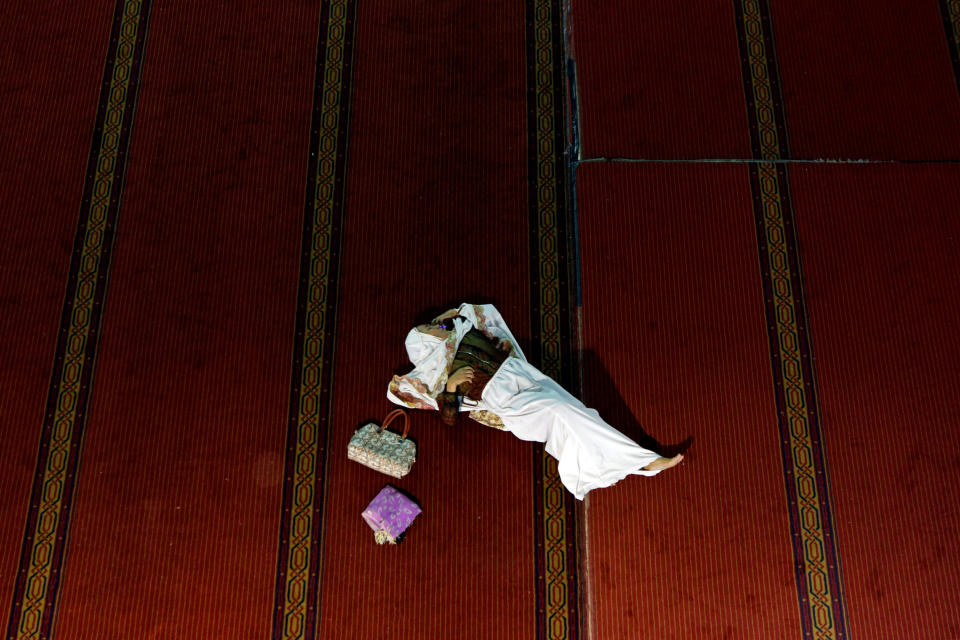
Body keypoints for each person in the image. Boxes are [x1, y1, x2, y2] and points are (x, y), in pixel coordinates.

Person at [387, 303, 683, 500]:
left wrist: (482, 340)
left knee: (577, 411)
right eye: (428, 333)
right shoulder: (441, 374)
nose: (436, 330)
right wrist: (452, 384)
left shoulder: (461, 330)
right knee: (562, 411)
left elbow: (465, 320)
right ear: (425, 348)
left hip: (520, 372)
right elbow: (448, 417)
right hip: (505, 399)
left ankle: (602, 467)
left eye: (431, 327)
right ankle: (642, 461)